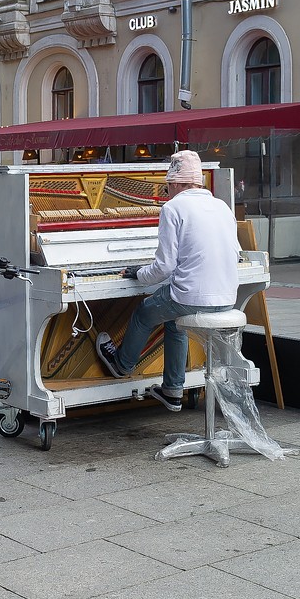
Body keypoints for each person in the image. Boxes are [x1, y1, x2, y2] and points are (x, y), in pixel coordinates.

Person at [94, 150, 239, 411]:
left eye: (167, 186)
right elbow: (235, 252)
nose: (166, 192)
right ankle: (173, 389)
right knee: (174, 324)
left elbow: (163, 267)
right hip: (227, 296)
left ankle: (121, 365)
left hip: (192, 297)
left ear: (174, 183)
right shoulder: (222, 206)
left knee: (144, 312)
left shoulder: (173, 208)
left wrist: (138, 273)